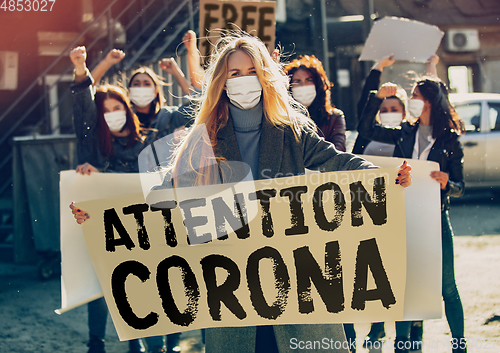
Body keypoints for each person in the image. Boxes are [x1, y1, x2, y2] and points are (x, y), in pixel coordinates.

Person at [146, 34, 411, 353]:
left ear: (265, 76)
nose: (244, 80)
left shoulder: (293, 131)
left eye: (252, 71)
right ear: (221, 81)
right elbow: (161, 195)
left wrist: (383, 177)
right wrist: (95, 218)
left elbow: (337, 162)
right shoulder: (203, 139)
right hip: (233, 282)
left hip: (294, 276)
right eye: (234, 74)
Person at [70, 46, 183, 353]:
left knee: (148, 285)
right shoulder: (93, 146)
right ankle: (99, 344)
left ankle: (154, 345)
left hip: (146, 230)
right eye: (104, 110)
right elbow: (82, 109)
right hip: (105, 228)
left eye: (117, 106)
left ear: (128, 108)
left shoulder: (148, 141)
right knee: (102, 285)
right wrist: (82, 68)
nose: (112, 114)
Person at [357, 75, 466, 353]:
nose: (412, 100)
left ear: (429, 100)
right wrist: (378, 97)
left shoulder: (450, 139)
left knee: (447, 287)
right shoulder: (403, 131)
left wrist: (447, 183)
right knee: (405, 284)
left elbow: (460, 187)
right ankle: (402, 345)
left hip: (437, 218)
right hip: (405, 216)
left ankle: (460, 345)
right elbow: (366, 129)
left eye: (416, 95)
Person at [284, 55, 347, 151]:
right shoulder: (284, 119)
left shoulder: (334, 117)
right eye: (297, 81)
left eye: (309, 80)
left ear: (318, 85)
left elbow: (339, 151)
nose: (303, 86)